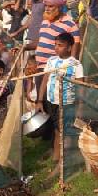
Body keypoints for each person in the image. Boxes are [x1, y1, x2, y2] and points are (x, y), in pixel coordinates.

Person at [39, 33, 83, 175]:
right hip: (52, 101)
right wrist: (40, 100)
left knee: (65, 134)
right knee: (57, 131)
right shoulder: (51, 61)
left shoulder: (75, 65)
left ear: (70, 47)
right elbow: (45, 80)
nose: (56, 48)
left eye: (60, 45)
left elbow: (81, 86)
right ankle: (56, 158)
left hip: (67, 103)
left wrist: (80, 107)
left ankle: (63, 165)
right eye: (55, 45)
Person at [31, 0, 80, 70]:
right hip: (39, 66)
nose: (47, 9)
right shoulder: (45, 22)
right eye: (46, 6)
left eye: (50, 6)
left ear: (59, 8)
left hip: (55, 68)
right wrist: (24, 47)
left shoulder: (70, 25)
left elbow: (75, 50)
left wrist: (69, 68)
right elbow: (40, 43)